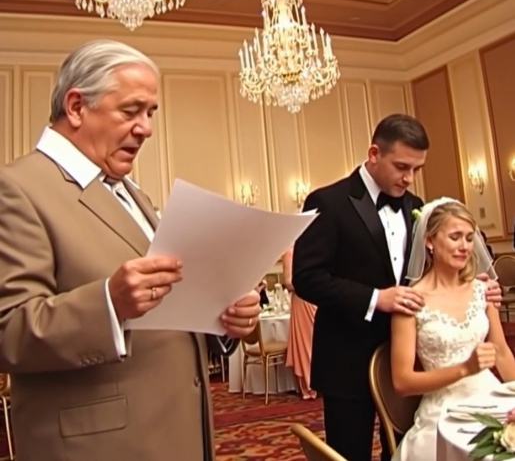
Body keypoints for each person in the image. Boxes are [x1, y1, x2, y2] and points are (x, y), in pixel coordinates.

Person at [0, 40, 261, 461]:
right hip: (98, 447)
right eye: (131, 111)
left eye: (150, 113)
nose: (146, 128)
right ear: (76, 107)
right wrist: (109, 303)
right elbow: (8, 329)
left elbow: (166, 309)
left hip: (176, 433)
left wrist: (223, 319)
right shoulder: (15, 188)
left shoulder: (131, 192)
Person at [292, 114, 503, 461]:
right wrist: (376, 298)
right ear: (374, 153)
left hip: (413, 356)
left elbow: (428, 271)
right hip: (348, 356)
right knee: (350, 452)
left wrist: (469, 284)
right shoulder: (328, 202)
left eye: (417, 169)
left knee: (407, 448)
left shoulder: (416, 207)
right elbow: (306, 277)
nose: (409, 178)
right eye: (402, 166)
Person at [391, 198, 515, 461]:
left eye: (469, 238)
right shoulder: (411, 301)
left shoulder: (482, 291)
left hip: (491, 397)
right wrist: (464, 369)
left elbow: (502, 353)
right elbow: (402, 382)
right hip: (443, 410)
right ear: (429, 241)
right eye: (455, 237)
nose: (464, 246)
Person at [283, 247, 317, 399]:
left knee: (313, 342)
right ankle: (309, 385)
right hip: (303, 299)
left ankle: (314, 383)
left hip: (312, 299)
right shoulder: (290, 251)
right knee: (307, 343)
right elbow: (288, 282)